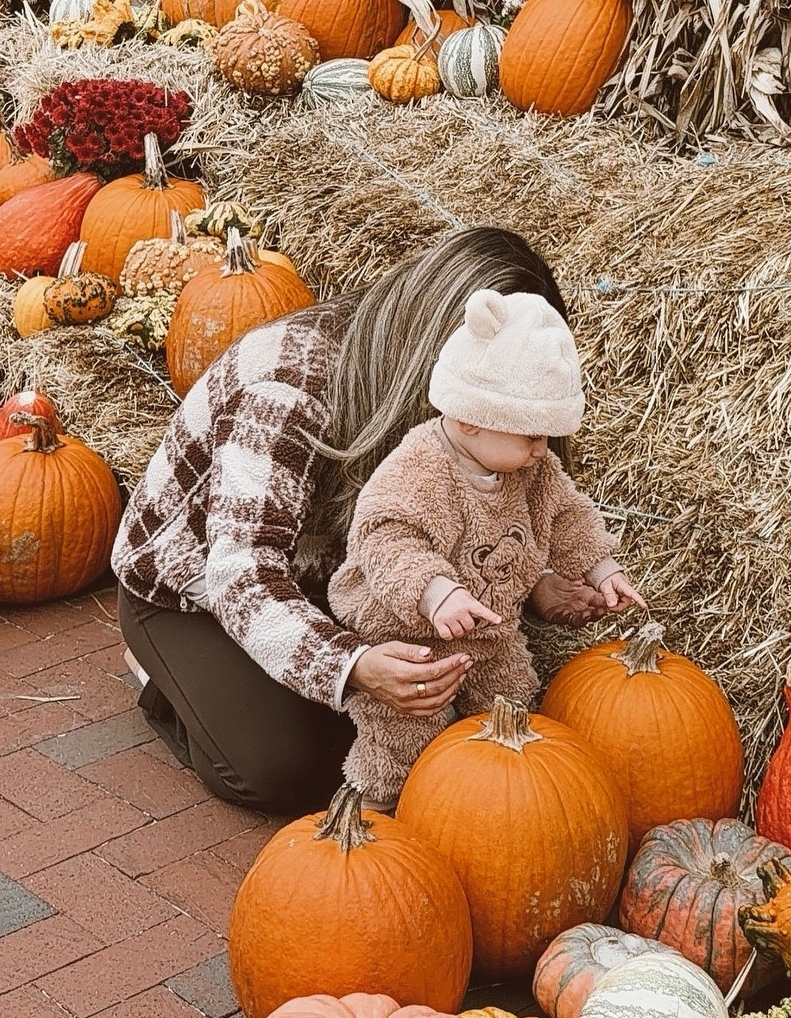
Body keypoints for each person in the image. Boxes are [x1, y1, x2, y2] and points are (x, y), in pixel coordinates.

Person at [112, 226, 618, 813]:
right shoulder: (288, 391)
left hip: (338, 580)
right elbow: (244, 577)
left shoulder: (463, 420)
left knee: (420, 732)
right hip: (195, 590)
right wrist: (351, 666)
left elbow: (459, 523)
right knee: (287, 771)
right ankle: (164, 680)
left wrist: (532, 584)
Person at [328, 287, 644, 804]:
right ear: (473, 415)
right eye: (532, 436)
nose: (542, 450)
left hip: (490, 633)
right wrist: (435, 592)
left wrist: (600, 568)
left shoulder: (530, 469)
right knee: (406, 738)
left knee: (516, 710)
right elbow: (385, 538)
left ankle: (492, 808)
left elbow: (567, 515)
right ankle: (374, 813)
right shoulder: (421, 469)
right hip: (410, 640)